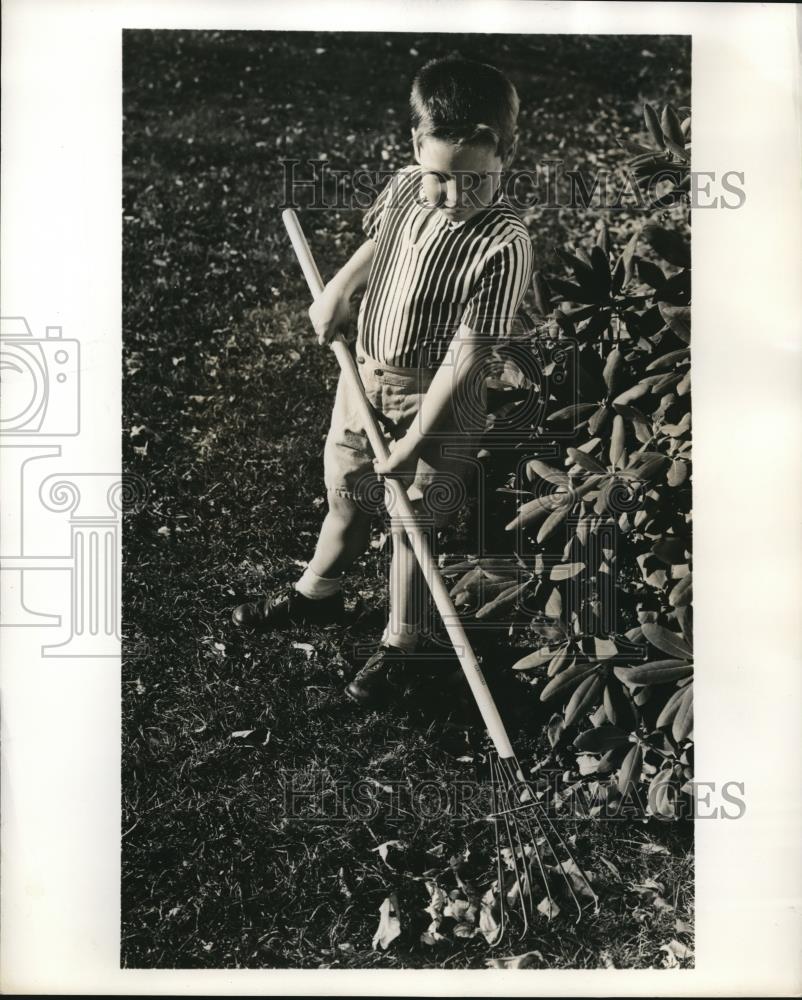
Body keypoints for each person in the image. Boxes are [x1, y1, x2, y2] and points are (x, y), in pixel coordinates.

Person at [232, 54, 533, 707]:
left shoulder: (503, 243)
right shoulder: (404, 186)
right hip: (364, 374)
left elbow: (467, 357)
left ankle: (403, 645)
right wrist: (341, 287)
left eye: (474, 182)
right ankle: (320, 594)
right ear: (414, 150)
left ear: (505, 155)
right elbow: (382, 244)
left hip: (441, 400)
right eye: (439, 178)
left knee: (411, 522)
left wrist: (413, 440)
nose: (453, 197)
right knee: (347, 491)